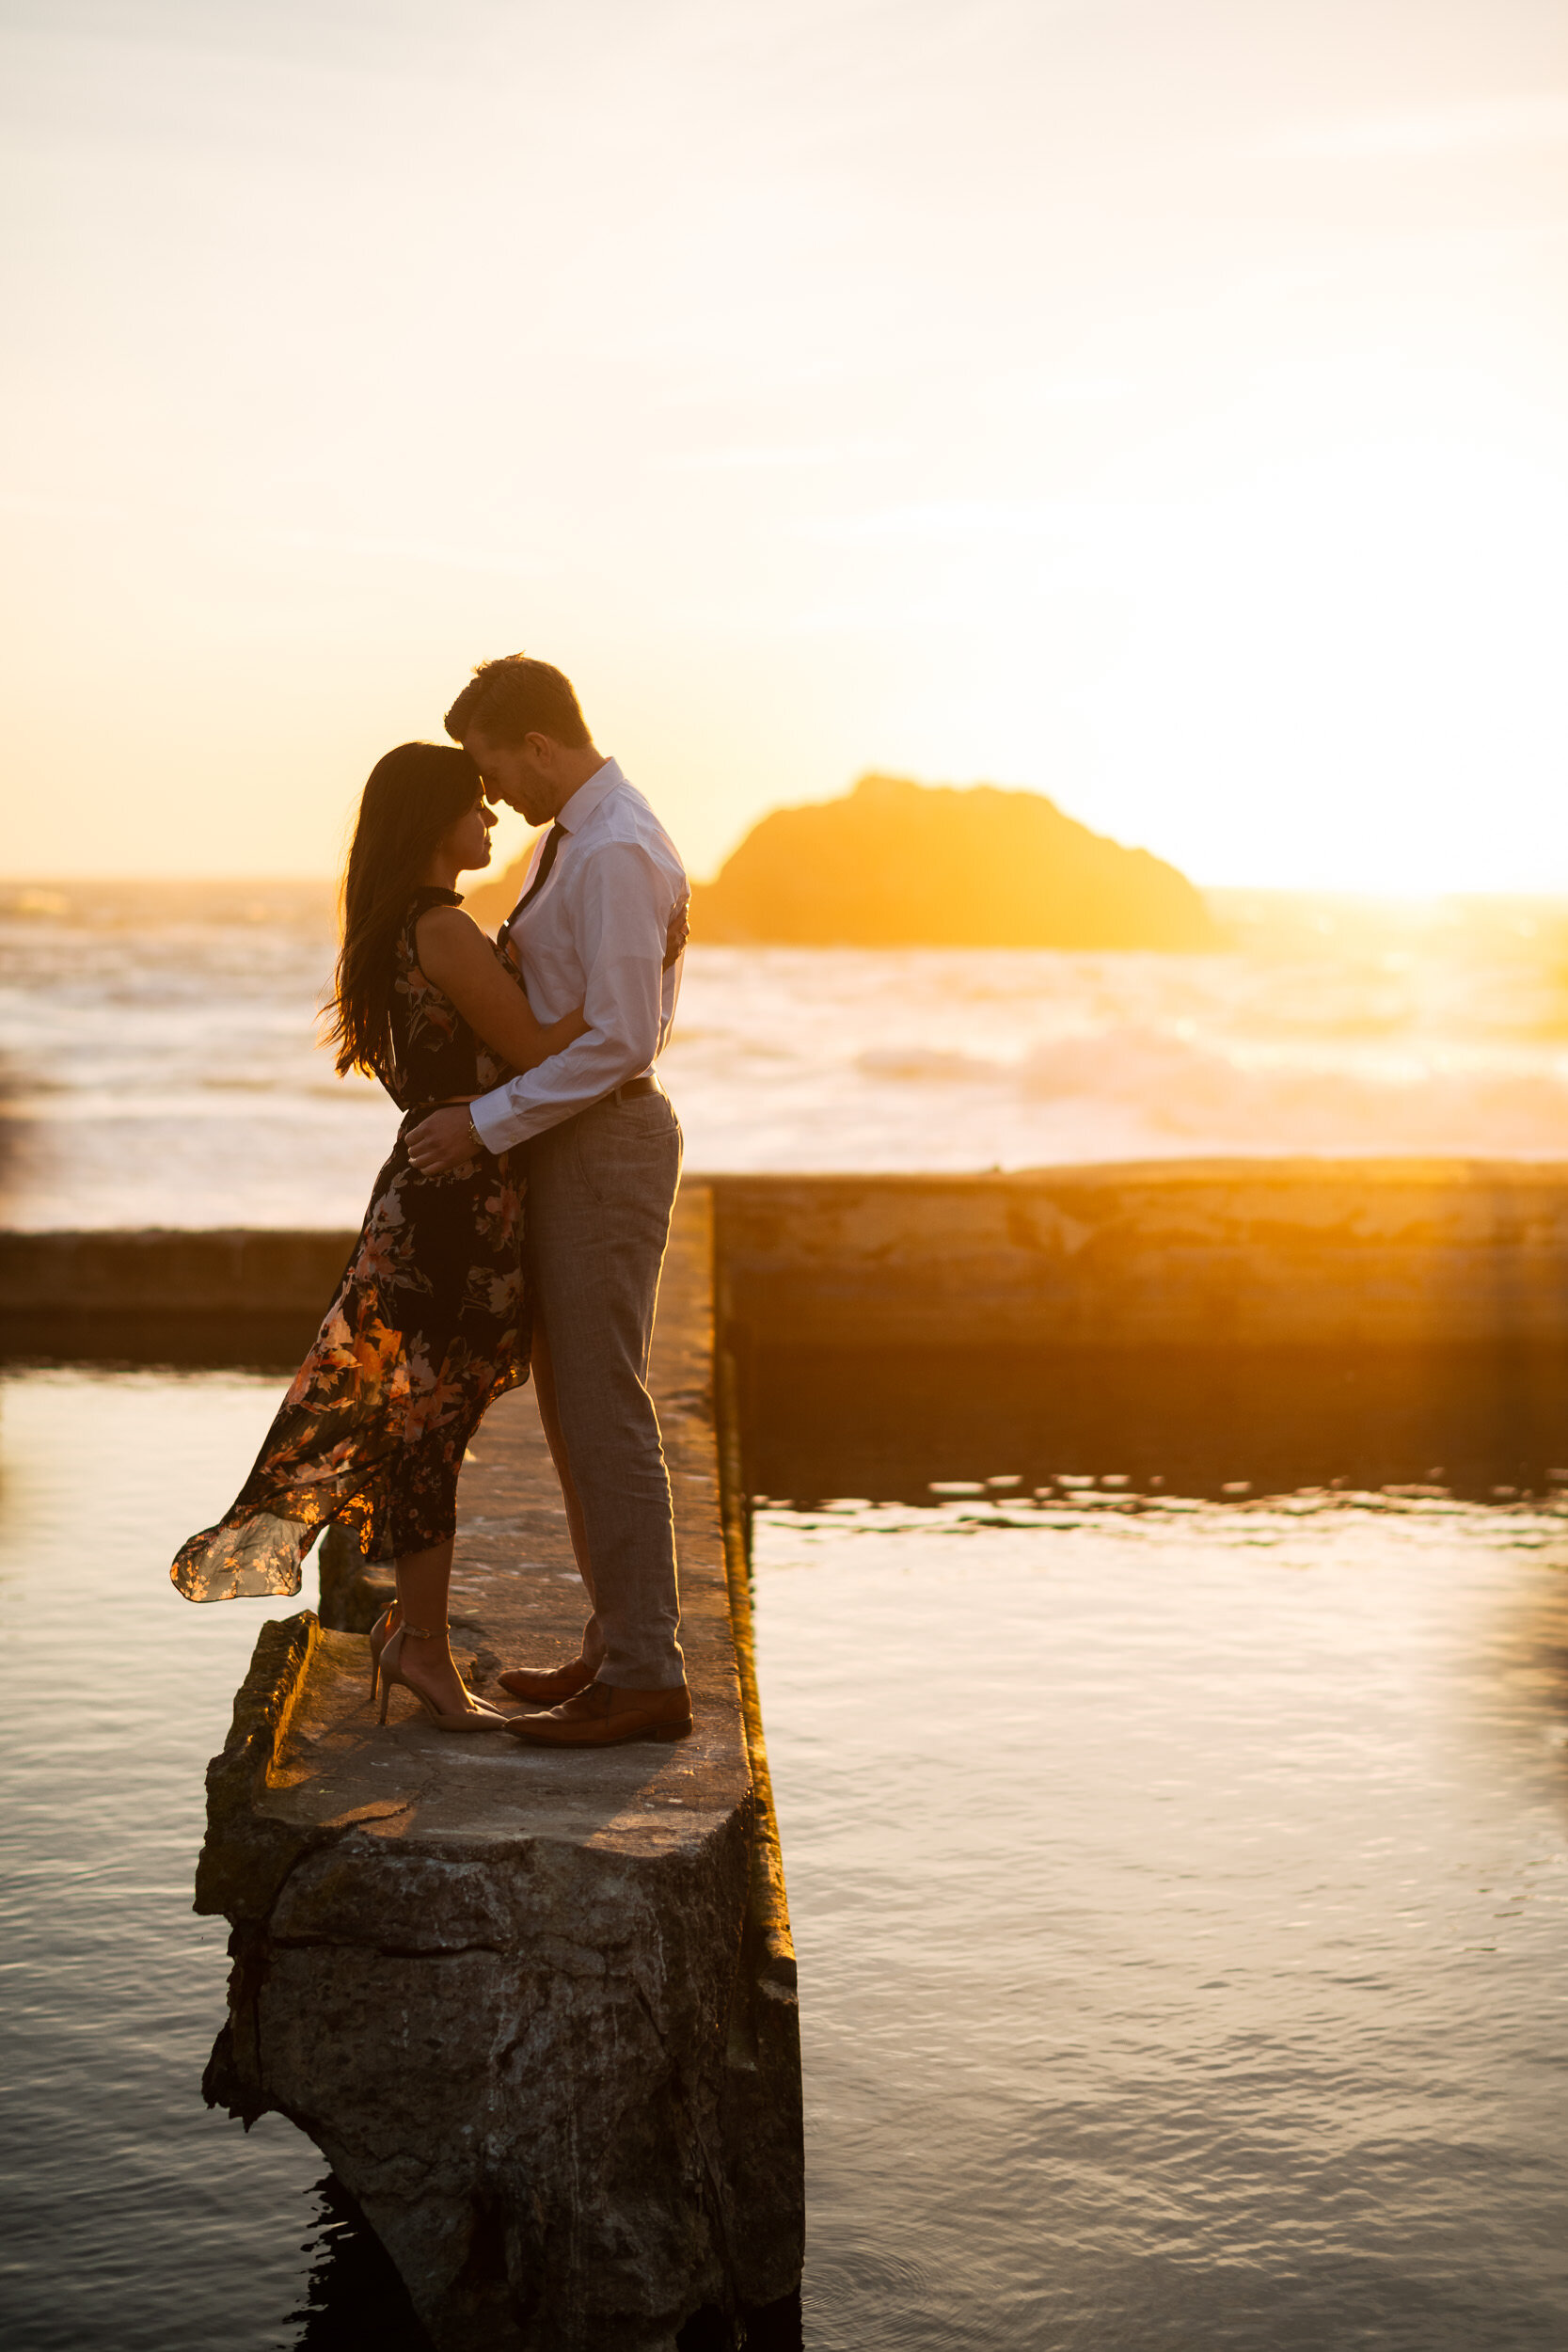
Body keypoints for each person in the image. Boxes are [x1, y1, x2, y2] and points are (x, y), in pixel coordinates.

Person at [171, 739, 680, 1733]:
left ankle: (428, 1642)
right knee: (428, 1422)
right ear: (431, 820)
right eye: (472, 808)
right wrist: (638, 984)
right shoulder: (442, 927)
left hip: (453, 1185)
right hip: (455, 1202)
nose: (491, 821)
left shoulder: (408, 924)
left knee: (424, 1416)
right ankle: (424, 1650)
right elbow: (537, 1044)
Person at [406, 654, 690, 1750]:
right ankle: (618, 1645)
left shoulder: (611, 847)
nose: (493, 795)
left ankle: (644, 1677)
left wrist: (479, 1124)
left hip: (603, 1137)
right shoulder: (581, 834)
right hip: (575, 1135)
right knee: (576, 1408)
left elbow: (621, 1035)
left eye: (491, 765)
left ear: (534, 742)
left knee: (600, 1401)